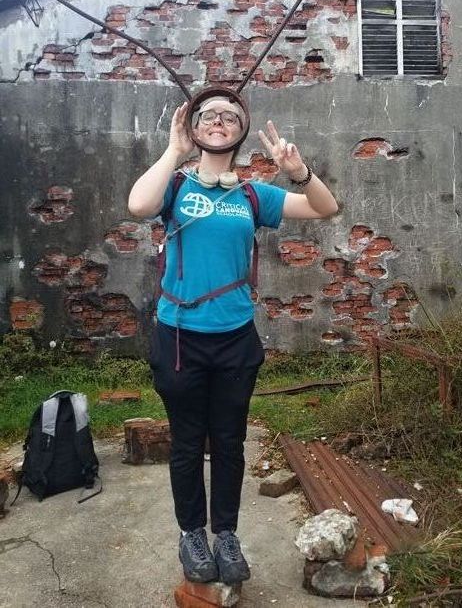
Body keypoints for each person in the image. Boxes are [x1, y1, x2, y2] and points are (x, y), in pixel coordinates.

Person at [128, 95, 338, 585]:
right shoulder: (174, 185)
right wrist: (173, 151)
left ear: (241, 130)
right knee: (186, 443)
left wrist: (299, 172)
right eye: (208, 115)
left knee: (228, 441)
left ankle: (225, 533)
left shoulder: (252, 195)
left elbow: (325, 208)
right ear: (194, 127)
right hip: (179, 338)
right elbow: (138, 205)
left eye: (230, 116)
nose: (219, 121)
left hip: (235, 339)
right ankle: (191, 534)